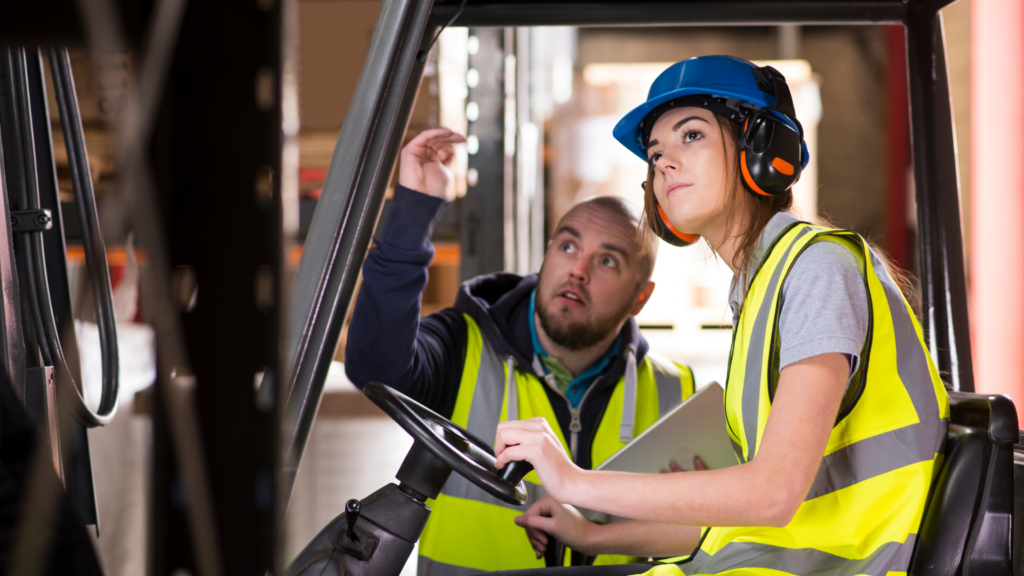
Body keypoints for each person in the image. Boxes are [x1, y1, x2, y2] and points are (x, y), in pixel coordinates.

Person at [493, 55, 950, 576]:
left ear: (762, 149)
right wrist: (595, 533)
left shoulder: (818, 267)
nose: (663, 162)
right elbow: (739, 511)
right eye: (655, 151)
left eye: (691, 135)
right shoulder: (760, 287)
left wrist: (574, 480)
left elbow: (773, 495)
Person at [344, 128, 696, 575]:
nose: (578, 271)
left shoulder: (674, 392)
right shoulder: (461, 345)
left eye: (607, 261)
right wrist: (414, 210)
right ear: (547, 255)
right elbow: (373, 367)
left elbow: (701, 545)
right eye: (568, 246)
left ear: (639, 299)